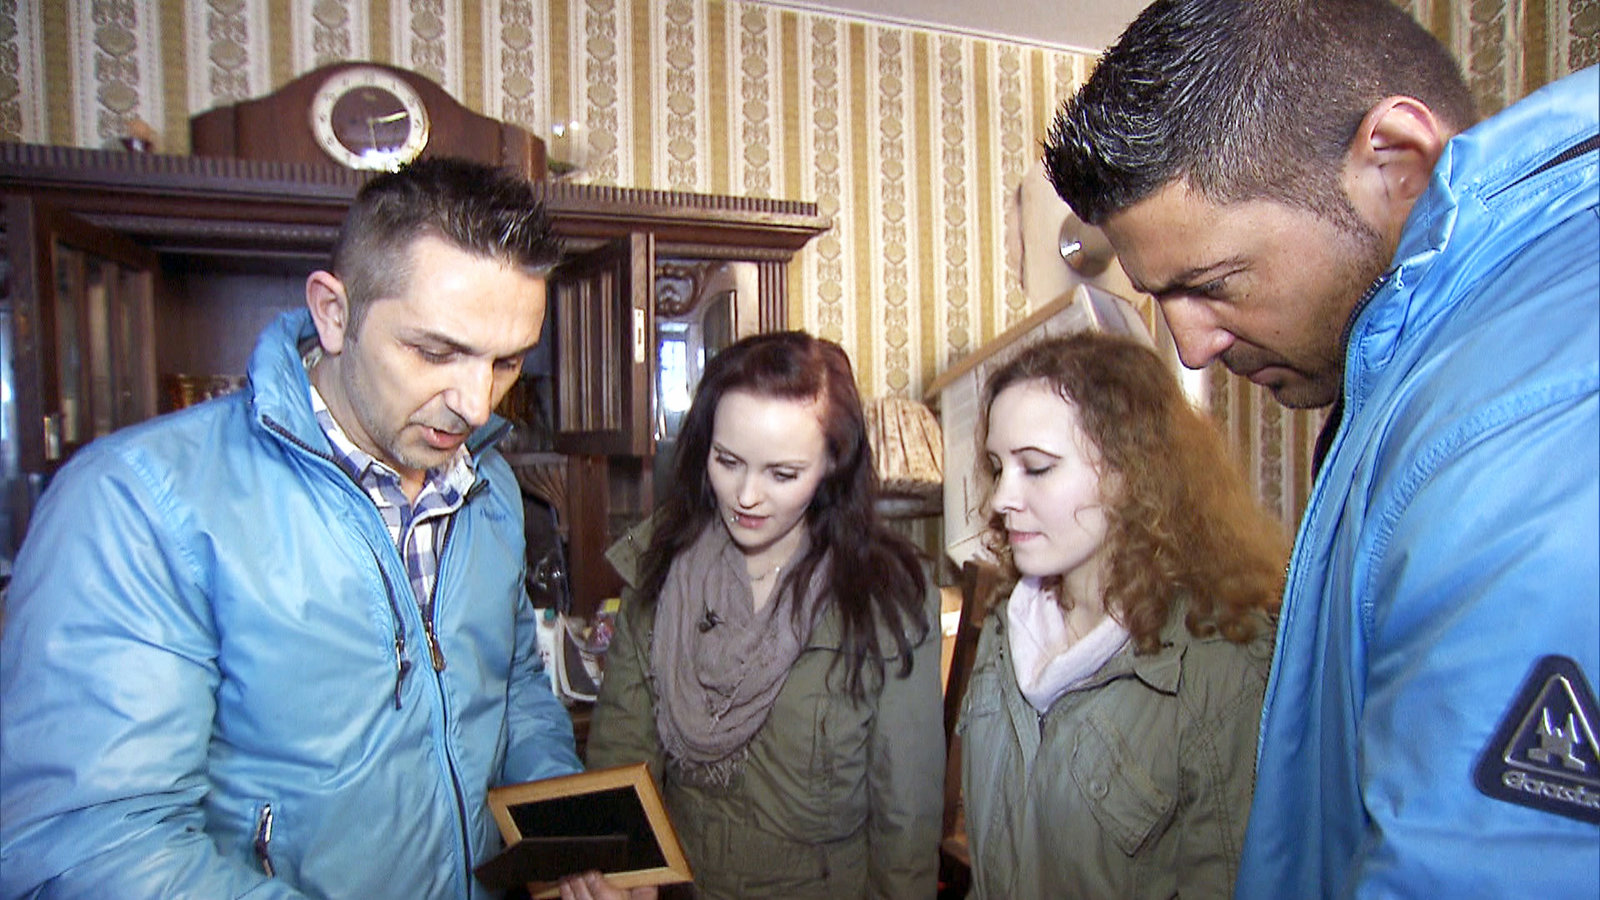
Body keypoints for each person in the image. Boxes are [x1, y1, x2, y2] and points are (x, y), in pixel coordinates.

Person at [1043, 1, 1600, 896]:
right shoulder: (1424, 375)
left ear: (1396, 164)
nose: (1192, 348)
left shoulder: (1525, 426)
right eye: (1161, 299)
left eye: (1212, 284)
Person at [0, 157, 585, 899]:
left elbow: (515, 691)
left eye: (506, 362)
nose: (475, 404)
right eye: (436, 352)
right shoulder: (134, 501)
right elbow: (95, 850)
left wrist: (566, 838)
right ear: (333, 313)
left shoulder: (489, 484)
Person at [583, 331, 943, 899]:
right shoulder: (658, 567)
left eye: (782, 474)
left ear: (833, 463)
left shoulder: (887, 599)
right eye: (728, 462)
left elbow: (907, 824)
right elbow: (621, 758)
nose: (746, 496)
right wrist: (623, 873)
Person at [962, 331, 1287, 898]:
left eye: (1036, 467)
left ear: (1129, 472)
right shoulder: (1001, 632)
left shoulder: (1221, 668)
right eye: (997, 467)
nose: (1000, 499)